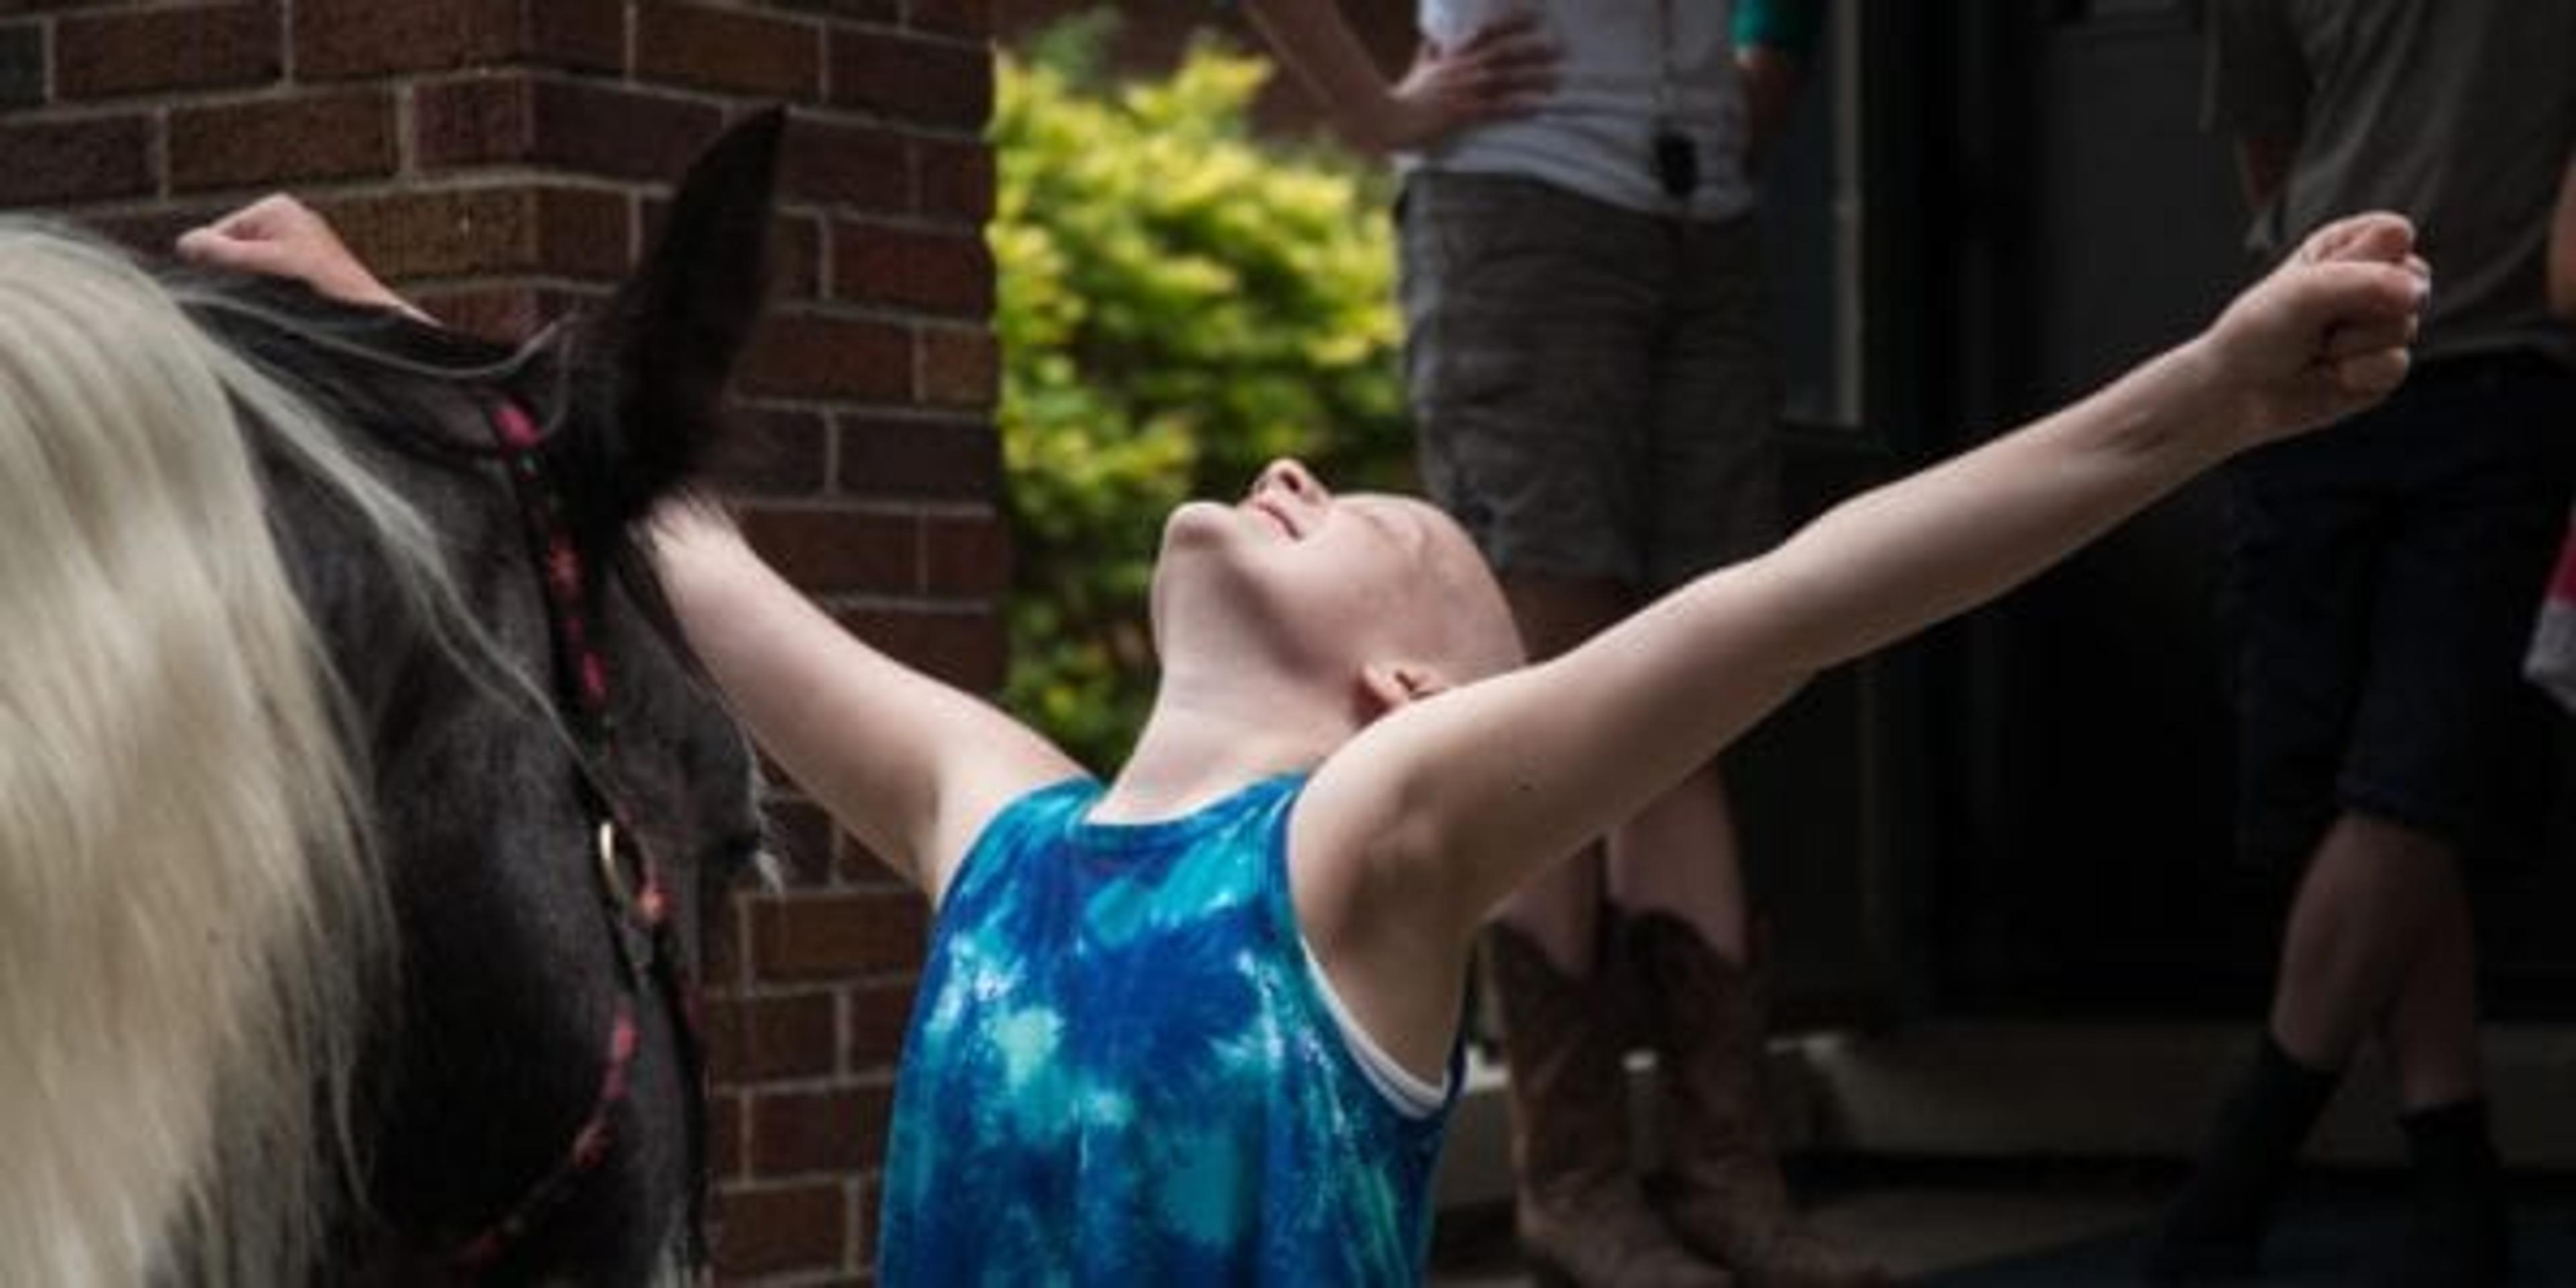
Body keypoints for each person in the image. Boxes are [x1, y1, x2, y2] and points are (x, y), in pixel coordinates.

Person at [184, 199, 2429, 1284]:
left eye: (1358, 511)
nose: (1290, 471)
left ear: (1420, 697)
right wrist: (404, 333)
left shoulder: (1368, 844)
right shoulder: (1000, 823)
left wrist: (2214, 394)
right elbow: (678, 550)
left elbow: (1802, 597)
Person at [1231, 1, 1851, 1280]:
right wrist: (1375, 108)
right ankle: (1571, 1184)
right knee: (1552, 690)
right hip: (1523, 199)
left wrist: (1762, 60)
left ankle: (1727, 1176)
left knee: (1700, 689)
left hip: (1705, 214)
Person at [2143, 7, 2576, 1287]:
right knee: (2354, 793)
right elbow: (2269, 143)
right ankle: (2459, 1182)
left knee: (2411, 783)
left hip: (2509, 369)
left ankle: (2237, 1177)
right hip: (2315, 379)